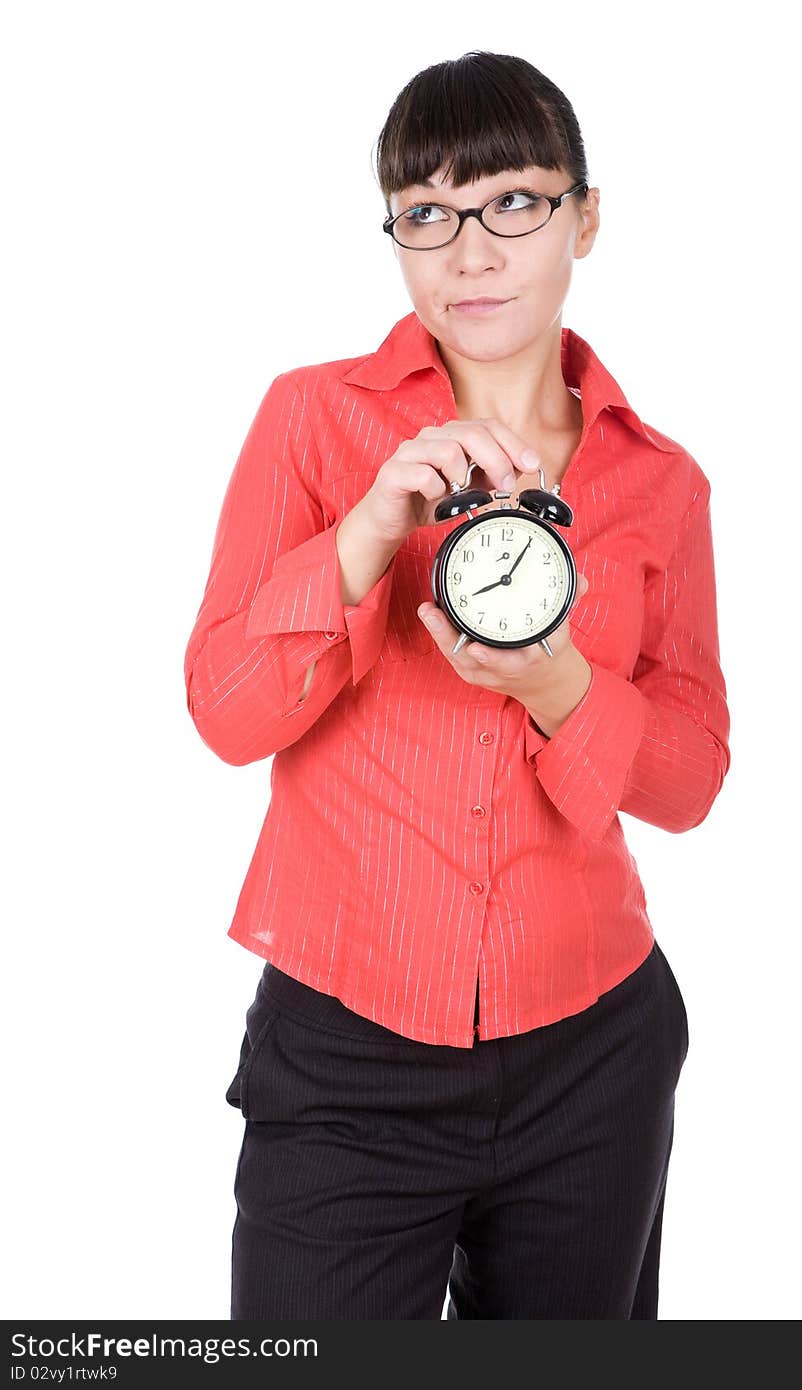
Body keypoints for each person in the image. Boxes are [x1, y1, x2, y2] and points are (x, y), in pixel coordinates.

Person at [183, 50, 731, 1320]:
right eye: (424, 213)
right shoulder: (314, 422)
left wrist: (558, 686)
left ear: (586, 217)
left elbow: (693, 777)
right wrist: (368, 534)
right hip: (345, 1058)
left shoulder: (664, 483)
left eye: (513, 203)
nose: (469, 253)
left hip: (594, 1052)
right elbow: (225, 711)